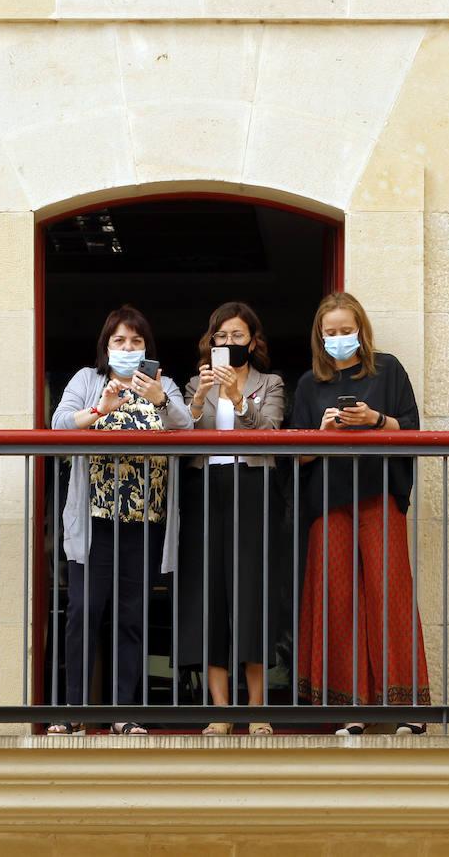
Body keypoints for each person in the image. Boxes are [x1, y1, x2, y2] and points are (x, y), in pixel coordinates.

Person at [289, 292, 430, 735]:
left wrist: (374, 419)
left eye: (345, 331)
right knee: (338, 599)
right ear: (319, 337)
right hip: (328, 501)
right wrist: (321, 433)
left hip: (379, 493)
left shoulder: (388, 370)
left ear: (360, 331)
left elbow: (411, 430)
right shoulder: (309, 385)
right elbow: (296, 458)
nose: (338, 339)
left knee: (390, 591)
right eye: (329, 333)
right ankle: (350, 708)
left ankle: (406, 706)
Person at [49, 304, 191, 735]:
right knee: (83, 612)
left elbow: (187, 431)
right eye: (119, 341)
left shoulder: (162, 384)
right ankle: (74, 710)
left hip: (144, 521)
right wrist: (100, 409)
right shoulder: (87, 380)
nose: (128, 348)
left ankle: (123, 713)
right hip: (94, 521)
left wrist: (160, 401)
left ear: (147, 347)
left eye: (136, 341)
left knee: (132, 615)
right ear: (106, 347)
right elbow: (58, 425)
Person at [178, 302, 287, 736]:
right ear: (211, 342)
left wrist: (239, 399)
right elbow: (186, 434)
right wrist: (202, 397)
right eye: (221, 337)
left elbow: (272, 433)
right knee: (211, 595)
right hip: (207, 489)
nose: (229, 344)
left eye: (238, 336)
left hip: (254, 488)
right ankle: (221, 711)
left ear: (253, 341)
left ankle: (257, 709)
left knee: (252, 594)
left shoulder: (271, 383)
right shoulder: (194, 383)